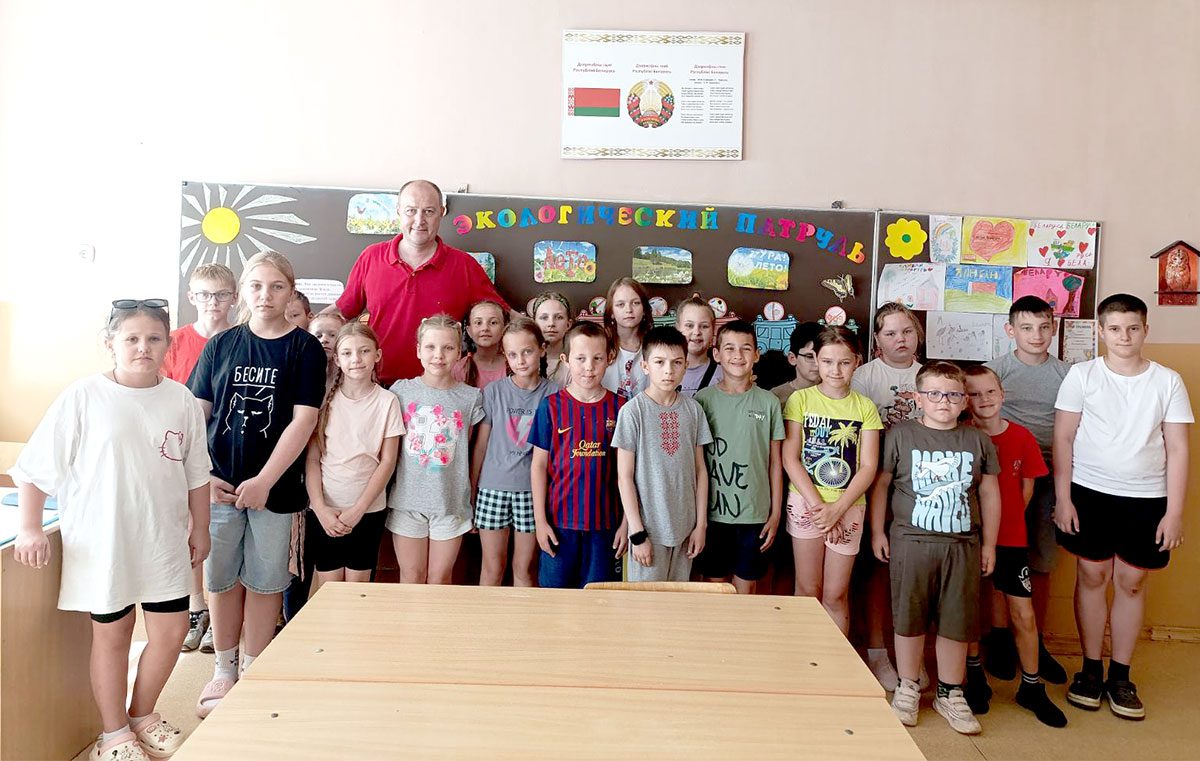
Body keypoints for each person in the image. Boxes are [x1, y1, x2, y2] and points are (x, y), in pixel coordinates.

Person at [12, 299, 210, 760]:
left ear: (168, 343)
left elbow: (196, 472)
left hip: (163, 540)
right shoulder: (83, 396)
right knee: (114, 635)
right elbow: (34, 469)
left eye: (154, 338)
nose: (143, 347)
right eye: (132, 338)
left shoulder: (180, 398)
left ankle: (142, 716)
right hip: (105, 542)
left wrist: (201, 527)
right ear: (110, 343)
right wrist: (29, 527)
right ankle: (114, 734)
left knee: (170, 632)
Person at [188, 251, 326, 718]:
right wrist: (205, 476)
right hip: (220, 488)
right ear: (244, 291)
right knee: (222, 579)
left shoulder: (305, 349)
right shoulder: (222, 345)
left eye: (276, 286)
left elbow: (304, 420)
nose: (265, 295)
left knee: (266, 584)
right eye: (256, 286)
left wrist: (266, 481)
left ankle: (253, 669)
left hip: (277, 493)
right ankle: (223, 670)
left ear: (291, 291)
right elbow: (196, 415)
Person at [1054, 293, 1193, 721]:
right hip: (1089, 492)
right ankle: (1090, 670)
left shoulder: (1167, 381)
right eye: (1114, 329)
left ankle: (1121, 675)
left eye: (1133, 328)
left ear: (1146, 330)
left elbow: (1179, 448)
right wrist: (1063, 498)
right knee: (1092, 574)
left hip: (1147, 498)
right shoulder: (1082, 375)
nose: (1124, 336)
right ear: (1100, 331)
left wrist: (1174, 512)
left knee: (1132, 581)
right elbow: (1063, 438)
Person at [871, 361, 1000, 735]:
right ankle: (908, 685)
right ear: (918, 397)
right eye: (934, 394)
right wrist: (878, 532)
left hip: (962, 546)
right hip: (911, 544)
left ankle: (950, 691)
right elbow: (881, 485)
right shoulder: (900, 435)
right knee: (909, 618)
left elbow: (990, 493)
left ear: (964, 401)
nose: (944, 401)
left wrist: (990, 544)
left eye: (953, 395)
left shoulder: (977, 440)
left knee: (956, 621)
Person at [961, 366, 1067, 727]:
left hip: (1011, 539)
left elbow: (1027, 487)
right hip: (969, 538)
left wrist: (1006, 523)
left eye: (990, 392)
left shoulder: (1021, 436)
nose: (983, 399)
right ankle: (974, 674)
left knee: (1023, 613)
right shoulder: (962, 436)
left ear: (1002, 394)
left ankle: (1032, 687)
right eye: (974, 394)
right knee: (970, 609)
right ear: (964, 399)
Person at [327, 179, 509, 386]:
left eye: (429, 211)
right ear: (398, 211)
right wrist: (301, 327)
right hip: (378, 385)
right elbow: (343, 311)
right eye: (411, 211)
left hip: (440, 388)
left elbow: (505, 315)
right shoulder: (371, 257)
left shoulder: (464, 265)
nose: (419, 220)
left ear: (441, 212)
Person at [982, 295, 1069, 683]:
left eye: (1044, 327)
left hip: (1049, 476)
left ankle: (1036, 640)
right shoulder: (995, 372)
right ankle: (1000, 637)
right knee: (1001, 556)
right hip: (1001, 478)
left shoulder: (1067, 375)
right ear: (1010, 330)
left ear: (1054, 328)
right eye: (1027, 327)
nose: (1036, 335)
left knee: (1042, 561)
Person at [782, 326, 881, 635]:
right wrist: (820, 510)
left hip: (849, 506)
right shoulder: (800, 399)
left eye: (844, 362)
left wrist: (837, 510)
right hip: (806, 503)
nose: (835, 370)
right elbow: (790, 458)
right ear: (816, 361)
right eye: (827, 362)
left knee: (835, 595)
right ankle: (801, 657)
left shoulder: (865, 407)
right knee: (807, 589)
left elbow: (869, 466)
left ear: (857, 362)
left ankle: (835, 659)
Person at [162, 263, 236, 654]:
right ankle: (196, 608)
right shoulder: (173, 342)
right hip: (178, 451)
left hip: (225, 453)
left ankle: (220, 616)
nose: (213, 302)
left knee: (218, 534)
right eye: (205, 294)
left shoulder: (242, 341)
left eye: (221, 295)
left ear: (234, 298)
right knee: (187, 529)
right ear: (192, 296)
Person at [853, 302, 925, 691]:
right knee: (877, 570)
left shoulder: (929, 377)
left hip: (919, 491)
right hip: (875, 485)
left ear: (918, 335)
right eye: (891, 333)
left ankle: (909, 652)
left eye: (907, 331)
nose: (901, 339)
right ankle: (878, 650)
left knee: (914, 573)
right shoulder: (865, 376)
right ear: (878, 340)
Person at [386, 315, 484, 584]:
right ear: (418, 350)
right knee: (411, 576)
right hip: (407, 501)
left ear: (459, 352)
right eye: (430, 347)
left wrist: (471, 494)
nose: (438, 355)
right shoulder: (400, 392)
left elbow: (472, 451)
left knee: (440, 579)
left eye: (448, 348)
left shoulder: (471, 397)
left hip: (450, 502)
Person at [305, 323, 402, 591]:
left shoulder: (388, 402)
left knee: (358, 590)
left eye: (364, 351)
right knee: (330, 588)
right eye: (347, 353)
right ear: (337, 359)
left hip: (367, 511)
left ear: (377, 355)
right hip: (326, 511)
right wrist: (320, 508)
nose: (356, 359)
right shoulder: (324, 400)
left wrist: (358, 510)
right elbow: (312, 460)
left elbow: (388, 461)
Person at [530, 322, 627, 588]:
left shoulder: (622, 408)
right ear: (565, 360)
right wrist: (540, 521)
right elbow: (538, 466)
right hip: (559, 526)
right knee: (556, 597)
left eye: (597, 358)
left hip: (606, 527)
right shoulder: (551, 407)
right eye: (580, 358)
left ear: (609, 358)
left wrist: (626, 523)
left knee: (600, 598)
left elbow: (630, 473)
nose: (589, 367)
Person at [613, 327, 712, 582]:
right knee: (646, 603)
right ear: (645, 366)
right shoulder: (632, 412)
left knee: (678, 601)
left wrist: (700, 525)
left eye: (677, 362)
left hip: (685, 531)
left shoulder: (694, 410)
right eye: (659, 362)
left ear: (686, 365)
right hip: (649, 532)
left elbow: (700, 471)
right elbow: (624, 477)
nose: (668, 370)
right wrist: (637, 533)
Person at [694, 320, 784, 594]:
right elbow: (696, 464)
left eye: (746, 348)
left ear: (756, 354)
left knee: (746, 589)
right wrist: (699, 519)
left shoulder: (769, 402)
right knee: (715, 589)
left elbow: (775, 463)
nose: (738, 355)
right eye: (729, 348)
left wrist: (775, 514)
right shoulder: (702, 401)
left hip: (754, 514)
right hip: (712, 515)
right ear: (716, 354)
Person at [471, 317, 559, 587]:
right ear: (505, 356)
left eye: (527, 351)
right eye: (512, 354)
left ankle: (524, 615)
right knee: (492, 568)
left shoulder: (555, 394)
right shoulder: (493, 392)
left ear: (542, 349)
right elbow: (481, 445)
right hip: (492, 488)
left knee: (524, 568)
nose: (520, 360)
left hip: (532, 493)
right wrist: (471, 491)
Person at [281, 310, 348, 623]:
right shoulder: (297, 376)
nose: (325, 340)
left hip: (337, 486)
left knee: (333, 561)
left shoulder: (353, 385)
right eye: (318, 334)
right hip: (297, 482)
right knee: (298, 560)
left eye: (333, 335)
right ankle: (289, 620)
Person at [601, 277, 653, 399]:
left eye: (635, 303)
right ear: (611, 312)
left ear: (644, 309)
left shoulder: (655, 346)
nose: (629, 310)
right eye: (620, 304)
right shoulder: (601, 346)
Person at [453, 299, 509, 388]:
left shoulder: (514, 364)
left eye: (493, 322)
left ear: (504, 328)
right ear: (469, 331)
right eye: (478, 323)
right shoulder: (460, 369)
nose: (485, 328)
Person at [674, 295, 723, 397]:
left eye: (704, 326)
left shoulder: (723, 377)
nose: (696, 332)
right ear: (677, 328)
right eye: (689, 325)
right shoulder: (662, 373)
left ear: (713, 330)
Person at [770, 321, 823, 407]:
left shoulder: (836, 395)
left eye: (823, 357)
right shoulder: (775, 397)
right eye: (810, 357)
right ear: (792, 358)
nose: (817, 363)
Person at [532, 291, 573, 384]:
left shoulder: (576, 363)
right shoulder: (523, 362)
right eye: (544, 317)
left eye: (559, 317)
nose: (551, 324)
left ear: (568, 324)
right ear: (534, 323)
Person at [309, 312, 347, 391]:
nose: (324, 340)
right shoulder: (299, 372)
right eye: (318, 336)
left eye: (332, 335)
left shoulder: (351, 375)